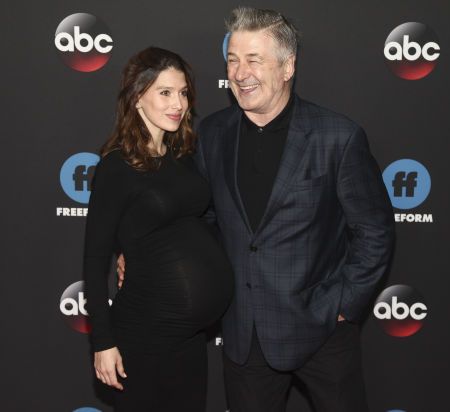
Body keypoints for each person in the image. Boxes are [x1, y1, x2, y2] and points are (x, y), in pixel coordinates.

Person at [117, 7, 395, 411]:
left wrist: (343, 305)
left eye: (253, 60)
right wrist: (145, 253)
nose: (240, 73)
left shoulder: (338, 137)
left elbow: (374, 230)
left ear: (287, 67)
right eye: (232, 60)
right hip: (245, 334)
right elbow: (200, 220)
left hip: (322, 331)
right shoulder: (213, 133)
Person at [84, 46, 233, 412]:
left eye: (183, 93)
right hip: (144, 335)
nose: (178, 104)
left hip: (190, 339)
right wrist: (102, 343)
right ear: (138, 96)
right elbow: (94, 261)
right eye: (165, 93)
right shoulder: (116, 167)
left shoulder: (183, 156)